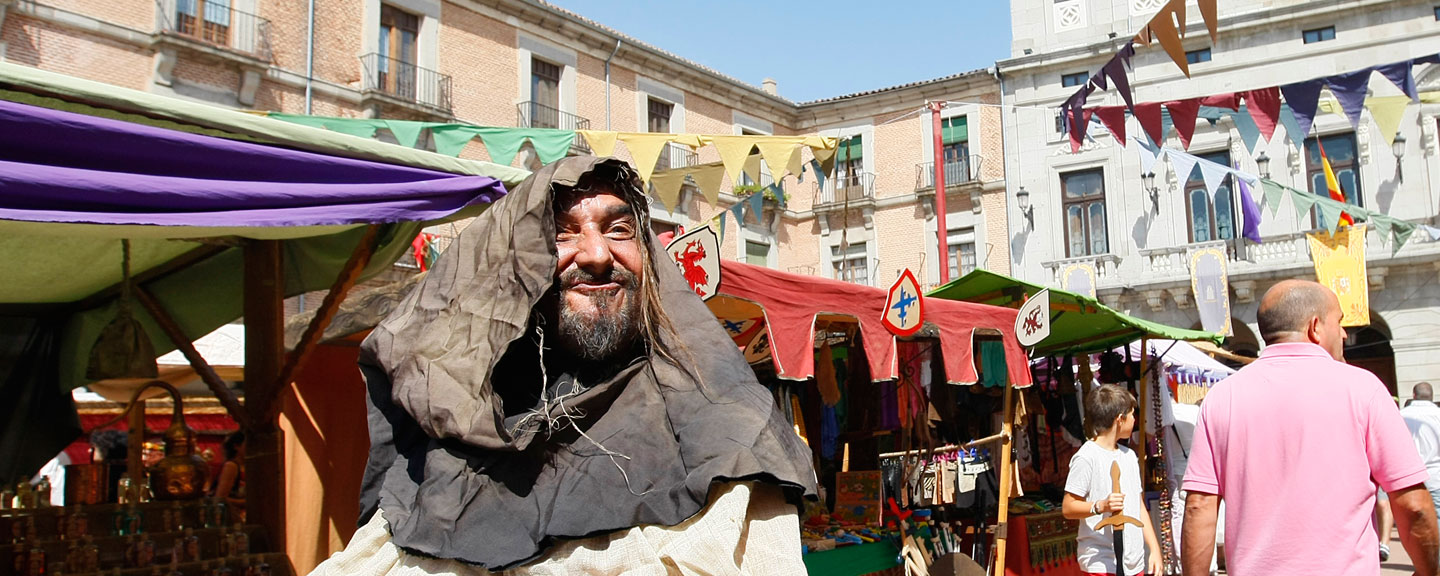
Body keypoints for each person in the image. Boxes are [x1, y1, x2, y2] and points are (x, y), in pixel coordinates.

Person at [314, 157, 816, 575]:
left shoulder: (727, 428)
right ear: (514, 266)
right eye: (561, 234)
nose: (597, 254)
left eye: (619, 230)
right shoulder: (449, 443)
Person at [1181, 279, 1440, 575]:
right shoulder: (1363, 389)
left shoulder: (1222, 397)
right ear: (1315, 327)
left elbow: (1199, 505)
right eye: (1339, 322)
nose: (1344, 333)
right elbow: (1413, 504)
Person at [1063, 383, 1164, 576]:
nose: (1135, 419)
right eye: (1132, 414)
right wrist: (1099, 506)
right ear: (1120, 419)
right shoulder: (1087, 457)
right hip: (1101, 562)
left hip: (1133, 562)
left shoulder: (1129, 456)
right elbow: (1068, 507)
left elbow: (1138, 505)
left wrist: (1154, 548)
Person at [1402, 382, 1440, 524]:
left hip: (1409, 479)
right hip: (1436, 477)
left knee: (1414, 523)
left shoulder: (1401, 416)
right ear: (1432, 396)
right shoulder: (1437, 415)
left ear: (1414, 395)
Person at [213, 432, 245, 523]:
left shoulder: (247, 465)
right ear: (236, 446)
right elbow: (220, 497)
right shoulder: (231, 466)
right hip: (233, 518)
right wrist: (244, 502)